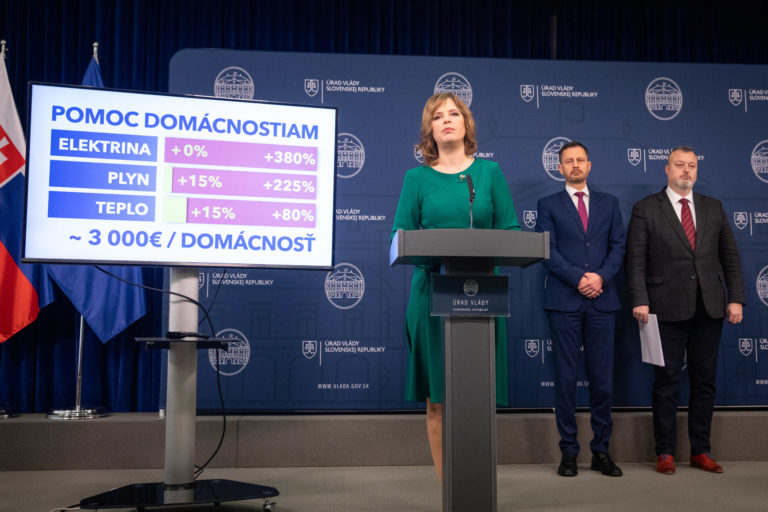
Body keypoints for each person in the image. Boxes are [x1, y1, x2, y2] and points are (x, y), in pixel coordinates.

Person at [390, 93, 520, 479]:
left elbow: (511, 231)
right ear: (430, 129)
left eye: (454, 113)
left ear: (466, 124)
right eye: (438, 116)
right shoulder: (415, 179)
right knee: (438, 400)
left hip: (482, 295)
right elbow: (400, 236)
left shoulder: (489, 174)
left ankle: (476, 484)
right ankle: (448, 490)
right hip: (431, 295)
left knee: (477, 397)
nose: (447, 120)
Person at [625, 146, 745, 475]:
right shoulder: (646, 208)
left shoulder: (713, 207)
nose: (686, 170)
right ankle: (664, 452)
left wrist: (735, 297)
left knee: (705, 382)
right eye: (679, 164)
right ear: (667, 169)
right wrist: (639, 298)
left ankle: (700, 451)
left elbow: (730, 256)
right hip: (663, 309)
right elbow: (635, 260)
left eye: (692, 165)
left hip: (709, 308)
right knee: (666, 382)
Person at [535, 142, 626, 478]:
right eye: (568, 161)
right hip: (565, 302)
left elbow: (619, 246)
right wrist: (579, 279)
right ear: (559, 168)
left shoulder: (609, 203)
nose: (575, 165)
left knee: (602, 381)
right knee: (566, 379)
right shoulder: (548, 205)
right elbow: (547, 250)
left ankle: (601, 451)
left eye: (580, 160)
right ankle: (569, 452)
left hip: (603, 299)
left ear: (589, 165)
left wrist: (600, 276)